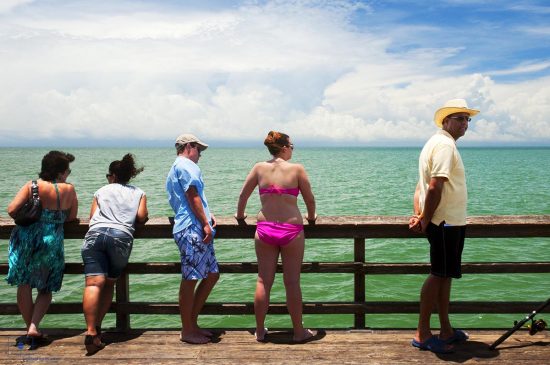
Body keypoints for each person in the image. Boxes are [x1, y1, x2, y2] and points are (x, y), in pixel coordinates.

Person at [409, 99, 479, 353]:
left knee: (445, 275)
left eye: (467, 119)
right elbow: (434, 186)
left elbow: (420, 186)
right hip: (445, 222)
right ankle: (423, 334)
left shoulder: (435, 143)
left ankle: (446, 330)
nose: (465, 124)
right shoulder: (444, 145)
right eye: (459, 118)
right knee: (439, 274)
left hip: (447, 221)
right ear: (445, 121)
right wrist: (425, 219)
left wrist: (419, 213)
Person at [235, 131, 317, 342]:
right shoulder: (297, 169)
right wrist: (311, 217)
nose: (292, 149)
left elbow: (243, 195)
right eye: (291, 146)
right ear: (283, 147)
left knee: (263, 281)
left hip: (265, 230)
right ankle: (299, 332)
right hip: (291, 231)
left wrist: (240, 215)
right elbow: (310, 199)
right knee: (292, 282)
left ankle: (260, 331)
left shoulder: (259, 168)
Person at [6, 151, 78, 347]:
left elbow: (12, 209)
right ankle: (34, 326)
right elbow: (71, 217)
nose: (68, 175)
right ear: (61, 172)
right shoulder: (69, 190)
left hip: (27, 238)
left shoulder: (33, 186)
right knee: (45, 287)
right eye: (67, 171)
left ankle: (30, 328)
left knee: (24, 283)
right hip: (52, 240)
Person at [81, 153, 148, 354]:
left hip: (95, 234)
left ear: (112, 176)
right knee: (110, 281)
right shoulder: (139, 193)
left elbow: (92, 216)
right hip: (120, 236)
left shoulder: (101, 190)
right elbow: (142, 217)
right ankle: (98, 328)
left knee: (93, 283)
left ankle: (91, 331)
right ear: (129, 176)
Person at [166, 133, 219, 344]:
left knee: (212, 274)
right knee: (190, 280)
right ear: (189, 146)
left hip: (195, 226)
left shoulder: (178, 167)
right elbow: (192, 195)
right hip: (191, 228)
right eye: (199, 149)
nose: (200, 155)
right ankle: (187, 330)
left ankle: (192, 323)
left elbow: (193, 198)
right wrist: (205, 222)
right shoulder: (186, 165)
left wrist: (207, 214)